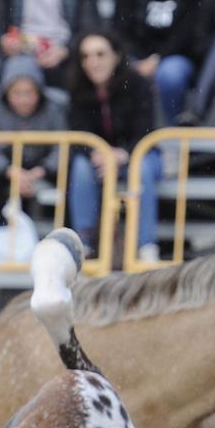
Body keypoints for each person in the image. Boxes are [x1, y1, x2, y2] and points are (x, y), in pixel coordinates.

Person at [64, 33, 162, 261]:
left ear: (116, 56)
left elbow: (146, 130)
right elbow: (77, 135)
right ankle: (84, 246)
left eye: (100, 54)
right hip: (97, 159)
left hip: (139, 153)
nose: (93, 62)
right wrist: (96, 153)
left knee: (142, 168)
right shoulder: (77, 89)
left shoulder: (138, 83)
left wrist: (123, 154)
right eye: (86, 56)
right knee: (80, 167)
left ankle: (147, 246)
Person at [109, 0, 203, 122]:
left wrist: (157, 60)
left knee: (171, 74)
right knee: (116, 69)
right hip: (133, 53)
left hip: (174, 57)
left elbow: (188, 34)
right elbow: (120, 26)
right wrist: (133, 60)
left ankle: (173, 134)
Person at [0, 57, 66, 255]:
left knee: (70, 173)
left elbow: (61, 147)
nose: (23, 99)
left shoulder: (52, 110)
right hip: (7, 168)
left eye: (29, 93)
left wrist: (40, 171)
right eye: (17, 93)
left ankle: (62, 237)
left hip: (42, 167)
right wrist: (11, 171)